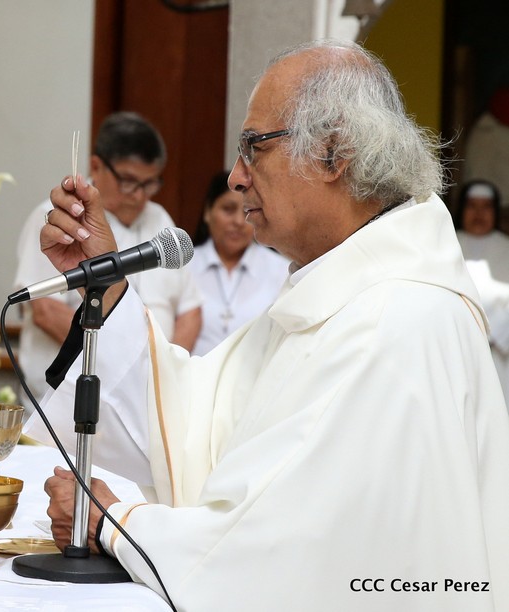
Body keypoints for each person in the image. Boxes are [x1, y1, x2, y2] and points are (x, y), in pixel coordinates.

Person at [25, 40, 509, 611]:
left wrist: (115, 522)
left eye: (254, 147)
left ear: (334, 153)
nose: (235, 177)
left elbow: (284, 556)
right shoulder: (341, 290)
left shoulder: (393, 320)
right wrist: (106, 282)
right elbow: (199, 418)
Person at [13, 112, 202, 402]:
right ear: (96, 166)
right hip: (67, 398)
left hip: (152, 395)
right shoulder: (59, 219)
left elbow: (190, 310)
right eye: (129, 181)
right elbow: (46, 312)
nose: (139, 195)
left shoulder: (160, 218)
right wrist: (127, 364)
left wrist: (164, 371)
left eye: (150, 183)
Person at [189, 170, 289, 355]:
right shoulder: (184, 267)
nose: (238, 221)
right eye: (228, 209)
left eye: (247, 211)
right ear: (208, 212)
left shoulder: (281, 271)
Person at [455, 180, 509, 399]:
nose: (479, 214)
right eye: (472, 206)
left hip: (498, 354)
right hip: (456, 350)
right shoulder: (447, 244)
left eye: (486, 207)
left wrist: (493, 333)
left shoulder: (506, 247)